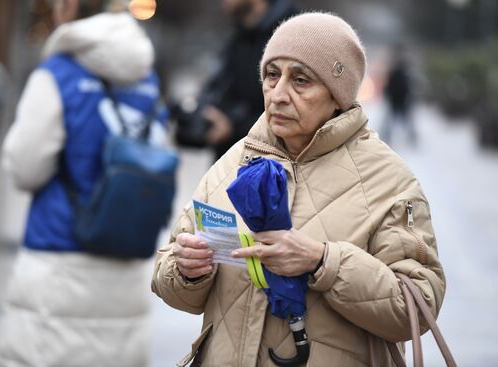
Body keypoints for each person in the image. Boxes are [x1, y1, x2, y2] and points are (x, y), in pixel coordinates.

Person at [152, 12, 446, 366]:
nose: (278, 95)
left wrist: (324, 261)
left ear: (338, 95)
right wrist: (186, 270)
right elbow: (171, 282)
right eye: (272, 75)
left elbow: (416, 306)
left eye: (301, 80)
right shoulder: (231, 164)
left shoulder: (389, 180)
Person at [0, 1, 167, 366]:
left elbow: (26, 168)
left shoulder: (58, 73)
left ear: (69, 7)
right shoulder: (146, 76)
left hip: (58, 261)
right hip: (127, 259)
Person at [176, 0, 297, 159]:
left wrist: (233, 127)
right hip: (229, 160)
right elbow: (220, 87)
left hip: (269, 166)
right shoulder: (239, 36)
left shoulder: (292, 34)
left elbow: (296, 105)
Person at [381, 52, 417, 145]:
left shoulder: (393, 75)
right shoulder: (404, 76)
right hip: (401, 101)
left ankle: (386, 136)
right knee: (406, 120)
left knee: (390, 121)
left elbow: (387, 88)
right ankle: (412, 138)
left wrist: (388, 97)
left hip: (395, 101)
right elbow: (408, 89)